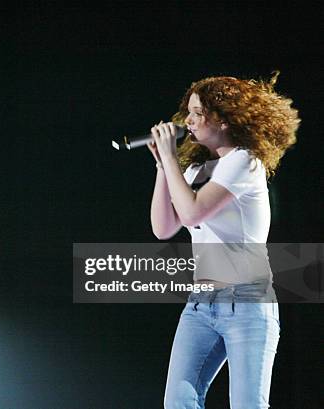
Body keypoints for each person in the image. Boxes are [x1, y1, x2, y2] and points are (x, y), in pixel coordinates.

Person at [147, 72, 300, 409]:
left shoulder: (245, 162)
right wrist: (162, 165)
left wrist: (171, 159)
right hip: (200, 304)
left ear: (224, 118)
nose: (187, 120)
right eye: (188, 111)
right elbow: (164, 227)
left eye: (197, 112)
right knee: (178, 402)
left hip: (247, 302)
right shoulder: (195, 170)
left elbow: (192, 214)